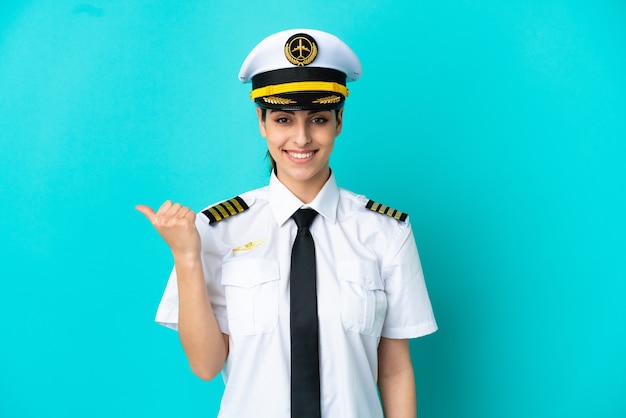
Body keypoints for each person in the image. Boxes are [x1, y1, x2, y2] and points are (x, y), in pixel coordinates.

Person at [136, 28, 437, 418]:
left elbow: (394, 370)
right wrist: (186, 257)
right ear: (261, 123)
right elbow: (206, 366)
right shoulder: (215, 229)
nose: (301, 138)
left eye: (318, 119)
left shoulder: (385, 232)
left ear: (339, 121)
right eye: (282, 119)